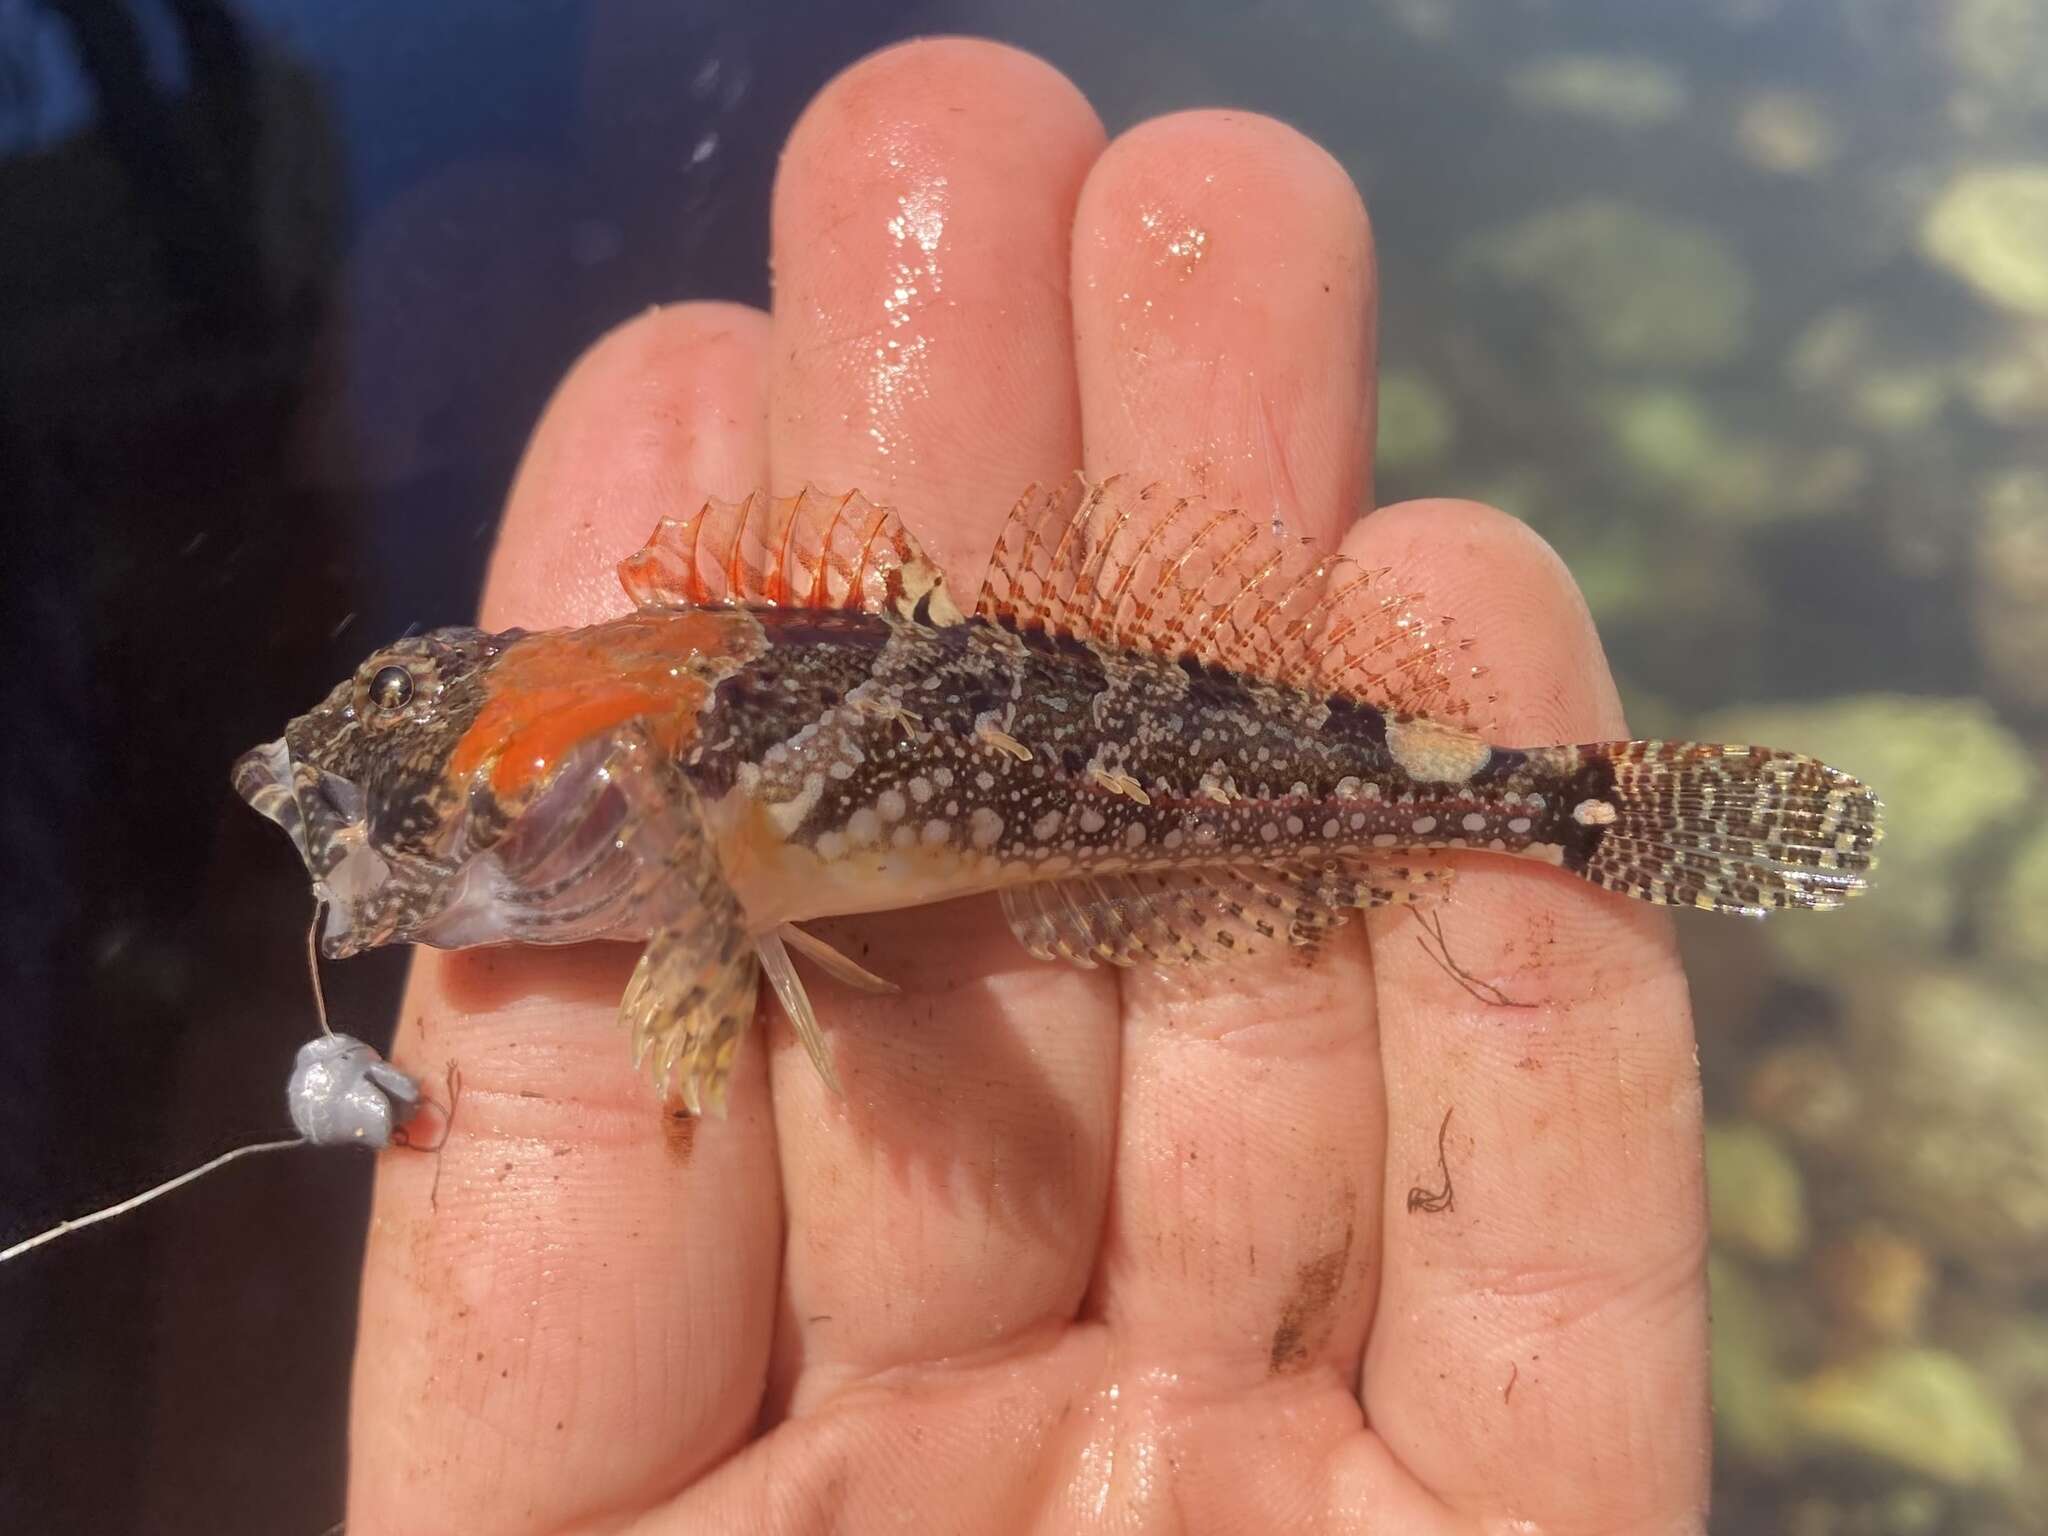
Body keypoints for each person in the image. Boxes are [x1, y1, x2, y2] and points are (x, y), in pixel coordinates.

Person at [346, 38, 1709, 1533]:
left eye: (464, 820)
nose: (429, 874)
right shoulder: (652, 749)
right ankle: (1566, 805)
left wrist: (702, 961)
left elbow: (712, 928)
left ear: (629, 795)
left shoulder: (672, 806)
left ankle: (1569, 806)